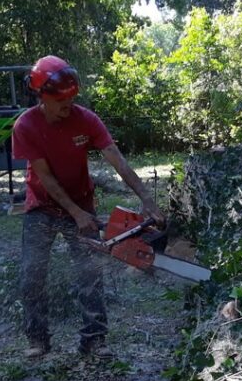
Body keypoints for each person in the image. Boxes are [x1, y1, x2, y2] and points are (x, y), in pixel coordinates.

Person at [12, 54, 165, 359]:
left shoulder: (86, 119)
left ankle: (94, 340)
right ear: (42, 96)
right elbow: (46, 178)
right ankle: (37, 339)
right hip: (42, 206)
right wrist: (76, 214)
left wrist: (147, 200)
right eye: (60, 103)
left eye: (70, 101)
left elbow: (117, 160)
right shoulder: (26, 125)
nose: (66, 109)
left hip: (82, 201)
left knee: (90, 273)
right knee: (32, 273)